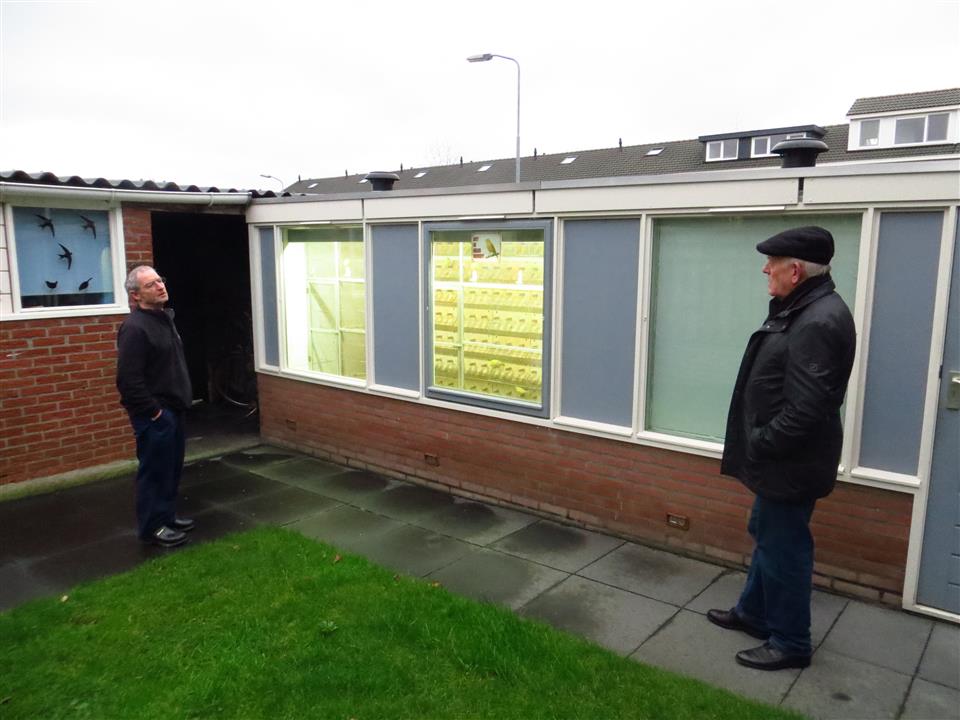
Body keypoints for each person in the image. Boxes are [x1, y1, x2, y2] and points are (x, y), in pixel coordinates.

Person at [708, 226, 856, 671]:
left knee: (785, 548)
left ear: (794, 271)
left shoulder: (819, 320)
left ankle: (791, 642)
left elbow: (808, 408)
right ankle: (754, 613)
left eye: (771, 263)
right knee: (766, 531)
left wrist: (763, 441)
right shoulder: (803, 309)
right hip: (783, 461)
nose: (764, 269)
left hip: (789, 463)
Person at [116, 266, 195, 548]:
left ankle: (167, 517)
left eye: (160, 280)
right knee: (155, 472)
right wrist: (154, 412)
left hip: (174, 409)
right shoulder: (135, 328)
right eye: (151, 284)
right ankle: (153, 527)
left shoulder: (164, 319)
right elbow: (128, 380)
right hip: (156, 416)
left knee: (171, 469)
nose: (160, 286)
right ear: (135, 296)